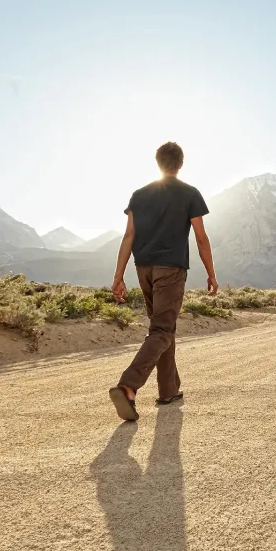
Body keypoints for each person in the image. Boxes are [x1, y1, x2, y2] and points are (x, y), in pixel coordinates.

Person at [109, 141, 219, 422]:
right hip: (171, 269)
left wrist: (118, 276)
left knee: (162, 329)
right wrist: (211, 272)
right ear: (180, 164)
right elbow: (201, 238)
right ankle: (128, 386)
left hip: (143, 268)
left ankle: (168, 391)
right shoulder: (189, 194)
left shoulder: (139, 195)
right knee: (161, 330)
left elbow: (128, 236)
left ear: (157, 163)